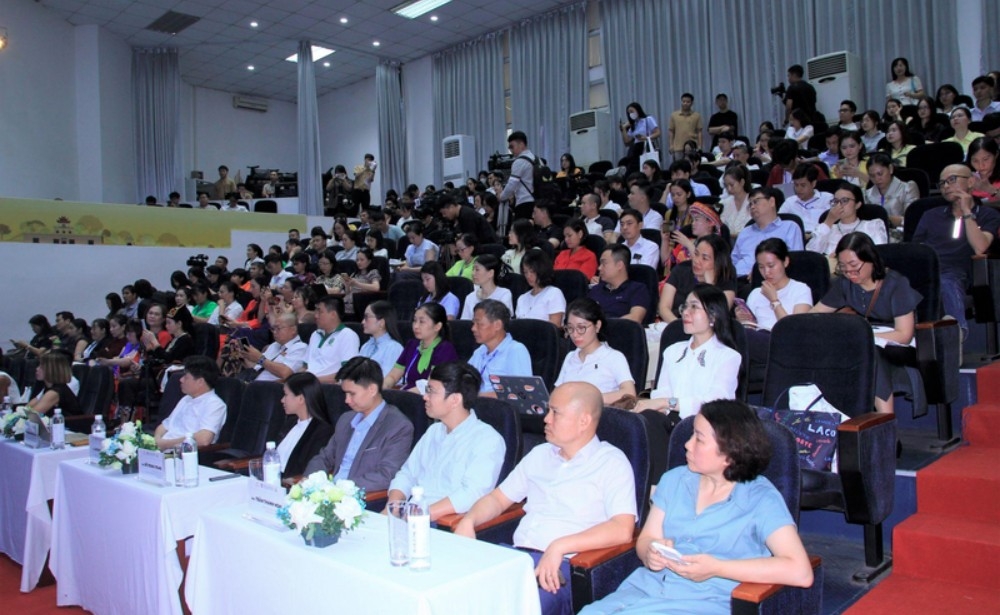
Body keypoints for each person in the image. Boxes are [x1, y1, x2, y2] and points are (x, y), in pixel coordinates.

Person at [580, 401, 813, 615]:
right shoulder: (674, 480)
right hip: (645, 589)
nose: (687, 444)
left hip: (705, 600)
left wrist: (717, 568)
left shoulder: (760, 498)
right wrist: (651, 552)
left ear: (730, 453)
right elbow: (647, 538)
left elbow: (799, 571)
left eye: (699, 439)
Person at [455, 381, 637, 615]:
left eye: (555, 413)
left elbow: (622, 528)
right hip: (515, 558)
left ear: (583, 421)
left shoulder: (611, 462)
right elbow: (498, 499)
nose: (546, 419)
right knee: (458, 595)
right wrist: (469, 520)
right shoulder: (539, 455)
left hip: (563, 567)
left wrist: (559, 547)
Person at [636, 285, 742, 478]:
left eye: (694, 307)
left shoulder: (728, 357)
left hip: (705, 424)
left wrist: (667, 403)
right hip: (669, 420)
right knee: (642, 420)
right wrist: (658, 405)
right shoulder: (673, 351)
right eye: (685, 306)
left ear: (713, 316)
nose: (685, 312)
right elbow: (663, 391)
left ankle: (657, 486)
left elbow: (716, 404)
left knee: (654, 422)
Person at [811, 233, 922, 414]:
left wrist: (864, 336)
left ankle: (885, 419)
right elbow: (813, 315)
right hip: (865, 338)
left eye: (854, 265)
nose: (849, 272)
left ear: (871, 260)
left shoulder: (896, 284)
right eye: (843, 266)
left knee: (870, 352)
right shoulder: (845, 284)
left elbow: (904, 334)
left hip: (898, 345)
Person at [387, 361, 506, 520]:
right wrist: (393, 507)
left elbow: (472, 494)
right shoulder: (433, 431)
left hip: (443, 522)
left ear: (455, 399)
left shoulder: (487, 439)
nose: (425, 397)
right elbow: (407, 474)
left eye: (431, 391)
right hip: (412, 515)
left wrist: (420, 514)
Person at [912, 164, 1000, 339]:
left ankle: (956, 334)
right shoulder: (930, 215)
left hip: (960, 272)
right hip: (927, 270)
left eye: (952, 180)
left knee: (946, 281)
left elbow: (980, 247)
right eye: (942, 183)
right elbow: (915, 250)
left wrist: (967, 212)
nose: (946, 186)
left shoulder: (988, 214)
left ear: (971, 182)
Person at [303, 357, 412, 492]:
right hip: (328, 493)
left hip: (360, 496)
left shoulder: (398, 426)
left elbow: (386, 475)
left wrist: (339, 489)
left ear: (372, 390)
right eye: (345, 394)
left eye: (352, 394)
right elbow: (324, 458)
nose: (346, 400)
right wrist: (310, 481)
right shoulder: (346, 419)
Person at [736, 238, 813, 377]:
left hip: (785, 344)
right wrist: (742, 320)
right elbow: (751, 327)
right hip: (757, 342)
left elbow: (794, 330)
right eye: (761, 267)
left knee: (742, 336)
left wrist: (774, 300)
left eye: (771, 266)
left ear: (785, 262)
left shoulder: (800, 289)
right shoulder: (755, 293)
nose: (766, 272)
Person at [555, 298, 636, 405]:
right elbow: (558, 391)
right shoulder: (570, 357)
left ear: (597, 326)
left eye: (581, 328)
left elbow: (629, 393)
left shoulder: (614, 357)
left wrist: (589, 399)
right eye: (570, 328)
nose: (575, 334)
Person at [153, 355, 226, 450]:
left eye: (186, 377)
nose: (181, 380)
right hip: (164, 448)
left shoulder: (214, 405)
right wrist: (157, 441)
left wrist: (165, 444)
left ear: (200, 382)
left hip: (183, 452)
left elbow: (204, 439)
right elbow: (164, 426)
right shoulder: (186, 399)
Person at [659, 235, 737, 322]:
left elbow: (716, 316)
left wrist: (710, 285)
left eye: (705, 258)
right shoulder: (682, 268)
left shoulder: (726, 278)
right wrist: (679, 326)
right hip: (674, 323)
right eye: (696, 254)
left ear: (718, 262)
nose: (696, 261)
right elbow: (664, 307)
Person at [384, 303, 459, 391]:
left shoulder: (445, 349)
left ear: (437, 326)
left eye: (422, 322)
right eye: (414, 320)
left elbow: (431, 386)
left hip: (428, 396)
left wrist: (404, 395)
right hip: (407, 394)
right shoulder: (412, 345)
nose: (415, 326)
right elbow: (393, 376)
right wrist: (382, 387)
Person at [731, 188, 804, 278]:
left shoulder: (790, 227)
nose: (752, 207)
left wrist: (759, 274)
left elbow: (795, 262)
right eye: (750, 204)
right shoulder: (745, 231)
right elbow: (732, 262)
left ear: (771, 202)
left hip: (770, 279)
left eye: (756, 201)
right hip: (738, 279)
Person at [274, 372, 335, 479]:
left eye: (286, 395)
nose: (282, 400)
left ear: (301, 399)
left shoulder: (322, 432)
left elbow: (309, 470)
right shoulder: (290, 423)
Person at [468, 300, 532, 395]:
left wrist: (477, 396)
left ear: (497, 325)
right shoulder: (480, 351)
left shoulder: (516, 350)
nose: (473, 328)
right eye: (473, 323)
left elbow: (521, 391)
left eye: (479, 324)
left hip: (496, 404)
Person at [302, 296, 360, 384]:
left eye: (320, 312)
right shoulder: (315, 334)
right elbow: (305, 366)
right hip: (308, 384)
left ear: (333, 314)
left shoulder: (348, 335)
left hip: (327, 387)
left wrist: (313, 381)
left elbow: (348, 373)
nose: (316, 316)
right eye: (316, 311)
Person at [237, 312, 307, 382]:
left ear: (293, 330)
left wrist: (259, 358)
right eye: (273, 329)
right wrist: (244, 357)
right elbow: (257, 368)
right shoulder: (274, 345)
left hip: (269, 386)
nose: (274, 332)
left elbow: (285, 373)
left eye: (278, 328)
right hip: (252, 380)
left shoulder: (300, 348)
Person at [588, 244, 650, 323]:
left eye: (604, 263)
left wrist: (603, 325)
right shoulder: (596, 289)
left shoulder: (637, 289)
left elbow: (635, 318)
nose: (599, 268)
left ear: (619, 265)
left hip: (620, 329)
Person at [863, 154, 919, 230]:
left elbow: (911, 220)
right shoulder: (867, 194)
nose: (877, 179)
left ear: (890, 169)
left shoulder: (907, 188)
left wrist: (884, 218)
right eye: (872, 176)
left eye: (880, 174)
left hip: (901, 233)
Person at [665, 200, 723, 269]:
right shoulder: (687, 241)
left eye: (697, 219)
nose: (693, 223)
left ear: (710, 222)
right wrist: (664, 239)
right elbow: (666, 263)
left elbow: (704, 268)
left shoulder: (716, 245)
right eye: (693, 220)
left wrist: (689, 245)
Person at [778, 164, 833, 234]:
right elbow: (779, 221)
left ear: (813, 183)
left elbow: (833, 223)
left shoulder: (827, 198)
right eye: (796, 185)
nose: (798, 189)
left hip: (820, 236)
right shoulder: (790, 201)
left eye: (803, 185)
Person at [516, 250, 567, 326]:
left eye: (532, 271)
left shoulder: (554, 293)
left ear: (542, 270)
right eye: (525, 272)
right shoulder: (522, 298)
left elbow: (555, 327)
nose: (528, 276)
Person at [358, 300, 405, 377]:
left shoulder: (394, 348)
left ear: (381, 323)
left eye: (367, 317)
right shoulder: (366, 346)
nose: (363, 322)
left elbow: (386, 378)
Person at [460, 254, 514, 320]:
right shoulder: (470, 297)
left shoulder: (504, 294)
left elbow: (503, 321)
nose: (473, 273)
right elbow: (465, 322)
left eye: (477, 270)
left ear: (490, 273)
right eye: (473, 269)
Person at [499, 131, 538, 219]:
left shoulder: (519, 162)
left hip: (524, 203)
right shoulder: (537, 159)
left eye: (512, 146)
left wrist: (501, 197)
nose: (510, 150)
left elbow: (512, 184)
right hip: (538, 202)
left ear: (521, 144)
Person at [26, 352, 79, 416]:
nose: (37, 369)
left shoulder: (55, 392)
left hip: (70, 421)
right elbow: (28, 408)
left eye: (41, 367)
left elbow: (32, 415)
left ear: (51, 370)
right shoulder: (48, 387)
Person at [620, 102, 662, 173]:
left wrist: (646, 138)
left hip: (646, 145)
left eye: (632, 111)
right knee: (634, 169)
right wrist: (623, 128)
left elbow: (658, 133)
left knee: (648, 168)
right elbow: (627, 141)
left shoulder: (648, 119)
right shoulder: (634, 124)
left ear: (638, 110)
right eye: (629, 113)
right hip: (636, 148)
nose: (631, 114)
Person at [341, 248, 382, 317]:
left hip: (360, 304)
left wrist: (357, 284)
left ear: (369, 261)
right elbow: (348, 293)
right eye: (357, 260)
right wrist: (347, 285)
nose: (358, 262)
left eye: (362, 260)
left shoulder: (373, 272)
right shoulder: (355, 274)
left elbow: (376, 287)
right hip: (347, 302)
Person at [719, 164, 753, 236]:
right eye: (726, 186)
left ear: (742, 182)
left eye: (732, 185)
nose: (729, 189)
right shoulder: (723, 203)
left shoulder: (753, 202)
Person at [668, 93, 702, 164]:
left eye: (688, 102)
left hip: (692, 146)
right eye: (683, 101)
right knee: (679, 166)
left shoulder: (696, 116)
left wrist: (699, 146)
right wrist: (671, 145)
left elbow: (699, 132)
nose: (685, 103)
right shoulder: (674, 115)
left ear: (692, 103)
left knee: (692, 165)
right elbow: (671, 131)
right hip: (678, 147)